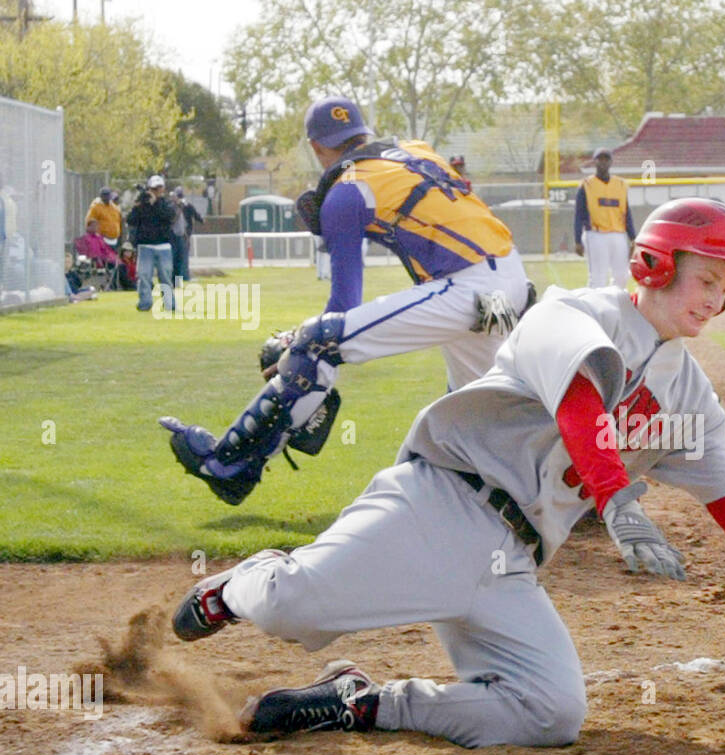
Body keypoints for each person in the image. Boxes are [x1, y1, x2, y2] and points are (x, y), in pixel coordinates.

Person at [167, 198, 725, 745]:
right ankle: (242, 582)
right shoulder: (574, 313)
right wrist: (616, 500)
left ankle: (363, 701)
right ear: (654, 265)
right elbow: (581, 403)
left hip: (511, 558)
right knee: (295, 608)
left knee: (550, 711)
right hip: (442, 499)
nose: (716, 300)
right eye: (706, 278)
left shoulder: (687, 389)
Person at [159, 96, 533, 506]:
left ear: (316, 147)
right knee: (472, 415)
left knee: (317, 343)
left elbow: (344, 305)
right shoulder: (415, 150)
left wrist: (291, 346)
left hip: (468, 287)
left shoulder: (346, 192)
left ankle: (228, 466)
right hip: (508, 276)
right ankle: (534, 487)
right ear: (363, 132)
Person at [573, 147, 636, 288]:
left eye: (606, 159)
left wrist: (633, 238)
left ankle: (615, 306)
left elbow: (627, 213)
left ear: (611, 162)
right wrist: (577, 239)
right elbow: (579, 214)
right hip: (596, 234)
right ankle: (594, 308)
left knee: (621, 276)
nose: (603, 162)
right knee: (598, 277)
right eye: (600, 159)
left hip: (618, 234)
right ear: (594, 161)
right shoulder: (587, 185)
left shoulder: (620, 184)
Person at [125, 174, 176, 312]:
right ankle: (145, 303)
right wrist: (137, 206)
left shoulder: (166, 204)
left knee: (165, 277)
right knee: (144, 276)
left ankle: (169, 304)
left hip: (163, 246)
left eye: (159, 188)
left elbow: (169, 216)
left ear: (163, 189)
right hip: (145, 246)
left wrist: (156, 203)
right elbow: (131, 220)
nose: (156, 191)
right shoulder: (143, 205)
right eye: (153, 188)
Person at [171, 187, 204, 282]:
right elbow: (197, 217)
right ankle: (182, 278)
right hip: (179, 235)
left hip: (182, 234)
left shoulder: (183, 205)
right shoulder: (181, 206)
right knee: (180, 258)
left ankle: (180, 279)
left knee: (180, 258)